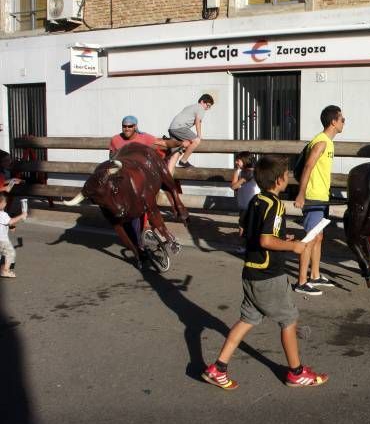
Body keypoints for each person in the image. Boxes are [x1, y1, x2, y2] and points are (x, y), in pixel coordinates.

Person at [202, 155, 329, 390]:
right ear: (280, 180)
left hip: (251, 271)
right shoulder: (276, 205)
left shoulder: (256, 200)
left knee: (247, 319)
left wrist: (282, 238)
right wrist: (293, 246)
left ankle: (218, 368)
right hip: (269, 275)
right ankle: (296, 372)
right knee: (288, 319)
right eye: (287, 176)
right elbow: (265, 240)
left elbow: (249, 232)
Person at [108, 115, 190, 253]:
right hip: (125, 181)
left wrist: (179, 143)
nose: (127, 129)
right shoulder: (115, 139)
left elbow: (164, 144)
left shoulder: (145, 138)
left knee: (147, 208)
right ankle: (140, 242)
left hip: (143, 181)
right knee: (127, 214)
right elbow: (111, 158)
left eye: (130, 126)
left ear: (135, 127)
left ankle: (166, 236)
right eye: (124, 126)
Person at [293, 105, 345, 295]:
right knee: (309, 238)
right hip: (313, 196)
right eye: (342, 119)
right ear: (333, 121)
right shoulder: (321, 142)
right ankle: (301, 281)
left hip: (322, 196)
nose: (343, 123)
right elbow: (307, 167)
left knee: (319, 237)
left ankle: (315, 275)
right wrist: (301, 194)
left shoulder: (328, 142)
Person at [168, 93, 214, 169]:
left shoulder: (191, 107)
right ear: (202, 102)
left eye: (209, 107)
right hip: (180, 128)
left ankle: (168, 179)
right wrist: (199, 136)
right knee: (196, 140)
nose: (207, 108)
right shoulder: (200, 108)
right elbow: (197, 122)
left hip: (172, 129)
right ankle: (183, 160)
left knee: (175, 155)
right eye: (207, 105)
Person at [231, 151, 260, 254]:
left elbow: (234, 186)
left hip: (252, 204)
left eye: (238, 160)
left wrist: (238, 173)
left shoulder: (251, 172)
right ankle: (245, 246)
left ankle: (247, 246)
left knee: (248, 225)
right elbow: (233, 186)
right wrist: (237, 171)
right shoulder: (240, 172)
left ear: (244, 160)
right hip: (243, 204)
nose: (236, 162)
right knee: (243, 225)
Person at [0, 191, 27, 278]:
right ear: (2, 204)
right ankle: (5, 271)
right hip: (2, 240)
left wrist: (11, 227)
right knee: (10, 253)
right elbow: (10, 221)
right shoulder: (3, 214)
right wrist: (21, 215)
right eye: (4, 202)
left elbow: (6, 223)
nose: (6, 204)